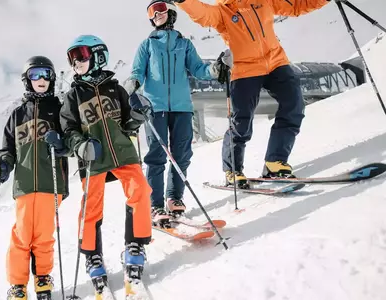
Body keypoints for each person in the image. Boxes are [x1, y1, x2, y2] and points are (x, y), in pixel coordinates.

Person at [173, 0, 331, 187]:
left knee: (294, 105)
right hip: (244, 69)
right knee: (241, 121)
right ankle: (233, 170)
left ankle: (275, 161)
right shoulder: (223, 10)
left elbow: (297, 4)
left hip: (276, 62)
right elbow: (203, 14)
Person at [59, 34, 152, 296]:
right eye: (71, 58)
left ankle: (135, 245)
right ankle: (92, 255)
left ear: (98, 56)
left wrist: (136, 118)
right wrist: (79, 145)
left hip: (123, 153)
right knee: (90, 207)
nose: (75, 62)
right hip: (94, 157)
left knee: (140, 192)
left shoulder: (116, 89)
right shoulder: (73, 95)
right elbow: (68, 129)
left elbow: (126, 124)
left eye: (80, 55)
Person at [124, 0, 224, 225]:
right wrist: (131, 85)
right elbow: (138, 72)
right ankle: (155, 204)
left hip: (182, 107)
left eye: (160, 8)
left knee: (182, 155)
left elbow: (199, 69)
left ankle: (174, 197)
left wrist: (215, 69)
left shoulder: (184, 44)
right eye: (152, 11)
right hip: (155, 107)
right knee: (157, 157)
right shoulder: (147, 45)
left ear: (171, 12)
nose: (156, 14)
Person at [0, 55, 70, 300]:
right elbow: (8, 150)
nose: (41, 79)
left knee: (44, 234)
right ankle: (18, 284)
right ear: (27, 80)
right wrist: (3, 164)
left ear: (52, 78)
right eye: (35, 74)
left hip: (50, 181)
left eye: (46, 74)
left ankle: (43, 276)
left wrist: (61, 142)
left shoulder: (59, 109)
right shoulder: (17, 116)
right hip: (24, 184)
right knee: (22, 235)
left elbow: (70, 142)